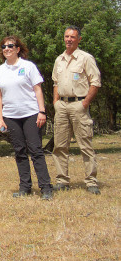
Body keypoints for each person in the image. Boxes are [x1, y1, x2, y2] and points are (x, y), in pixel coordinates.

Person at [0, 36, 52, 200]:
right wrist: (0, 119)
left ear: (18, 49)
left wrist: (42, 111)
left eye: (10, 45)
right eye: (4, 46)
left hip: (31, 114)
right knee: (19, 151)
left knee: (36, 150)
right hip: (11, 116)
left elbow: (38, 89)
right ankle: (25, 187)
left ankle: (46, 188)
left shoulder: (28, 67)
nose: (7, 48)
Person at [51, 25, 102, 194]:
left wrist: (85, 103)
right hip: (62, 106)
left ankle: (91, 182)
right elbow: (56, 83)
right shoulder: (59, 59)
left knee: (85, 145)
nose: (69, 40)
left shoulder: (86, 58)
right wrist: (56, 102)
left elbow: (95, 82)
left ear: (78, 39)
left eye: (72, 37)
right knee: (60, 145)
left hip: (79, 105)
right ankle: (62, 180)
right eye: (66, 37)